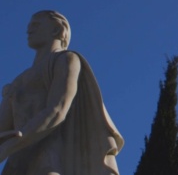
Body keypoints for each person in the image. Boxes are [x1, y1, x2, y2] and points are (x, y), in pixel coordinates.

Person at [0, 10, 124, 174]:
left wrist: (15, 142)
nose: (29, 29)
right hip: (17, 163)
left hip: (50, 157)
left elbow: (57, 110)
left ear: (57, 30)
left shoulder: (65, 60)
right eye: (29, 25)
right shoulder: (18, 81)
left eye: (36, 24)